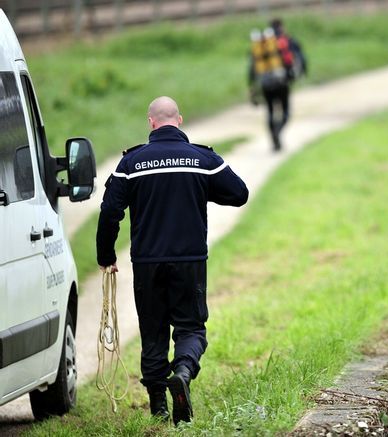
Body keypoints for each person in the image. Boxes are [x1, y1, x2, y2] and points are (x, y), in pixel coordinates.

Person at [96, 96, 249, 424]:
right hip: (189, 261)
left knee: (153, 331)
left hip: (147, 263)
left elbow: (109, 211)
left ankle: (158, 407)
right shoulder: (202, 159)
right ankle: (182, 372)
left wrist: (106, 256)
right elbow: (239, 194)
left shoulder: (130, 163)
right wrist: (201, 188)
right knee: (190, 327)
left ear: (151, 122)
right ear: (179, 120)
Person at [248, 18, 307, 151]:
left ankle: (274, 138)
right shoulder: (285, 41)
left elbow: (252, 67)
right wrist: (300, 74)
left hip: (265, 83)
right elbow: (300, 58)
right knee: (285, 112)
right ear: (282, 27)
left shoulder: (261, 44)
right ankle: (278, 133)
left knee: (270, 111)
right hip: (282, 81)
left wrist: (251, 86)